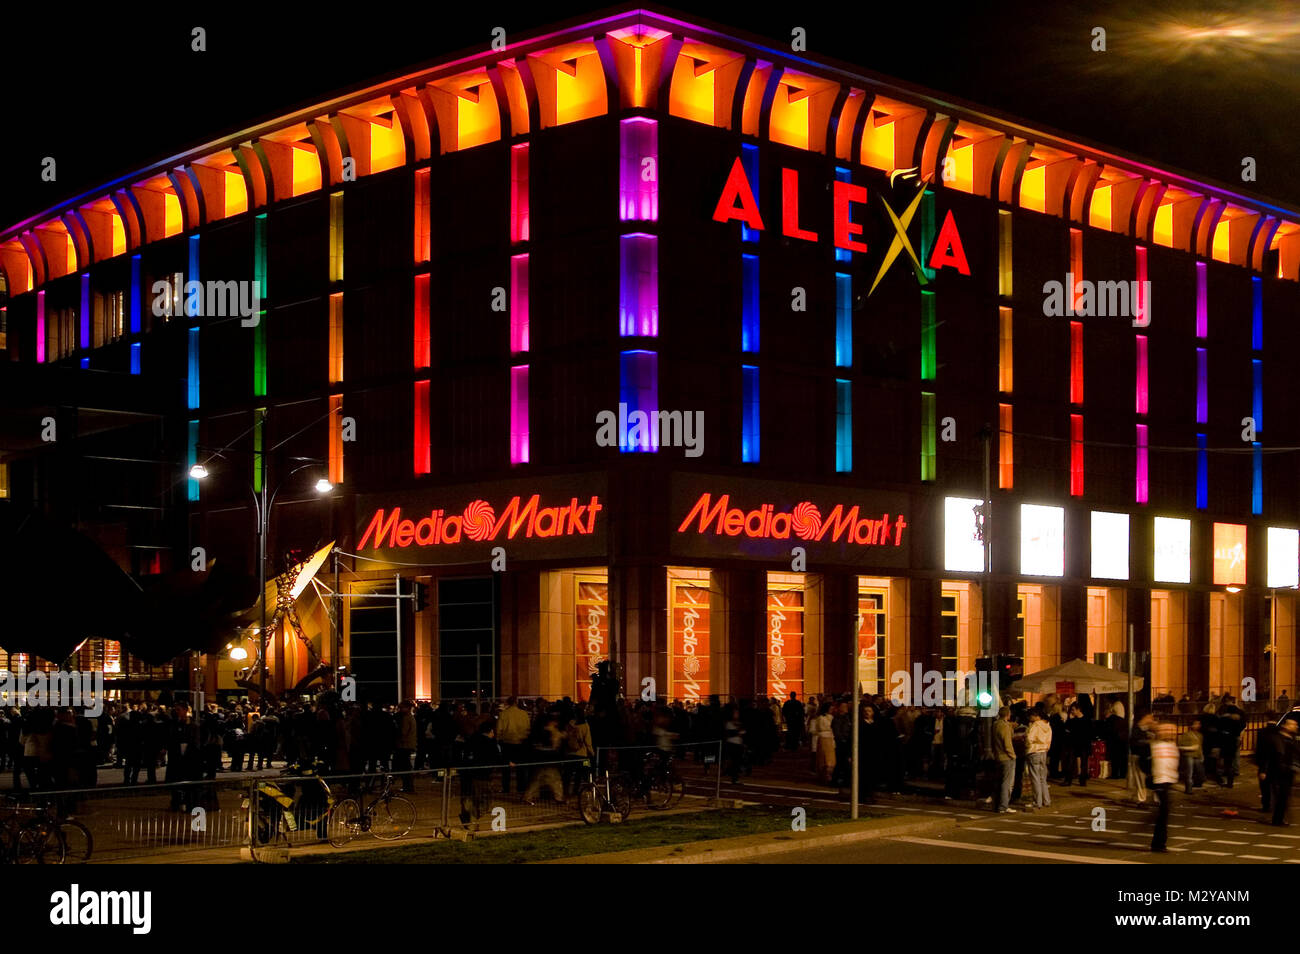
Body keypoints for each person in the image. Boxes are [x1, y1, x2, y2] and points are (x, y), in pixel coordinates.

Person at [1260, 714, 1299, 826]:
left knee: (1284, 796)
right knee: (1280, 796)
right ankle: (1277, 819)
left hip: (1288, 771)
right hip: (1277, 771)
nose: (1295, 726)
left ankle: (1279, 818)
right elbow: (1266, 755)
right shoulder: (1276, 739)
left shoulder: (1292, 738)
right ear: (1286, 726)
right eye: (1293, 724)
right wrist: (1263, 770)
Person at [1149, 723, 1179, 852]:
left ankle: (1158, 842)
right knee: (1163, 813)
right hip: (1160, 781)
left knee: (1164, 813)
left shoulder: (1172, 746)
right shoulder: (1155, 746)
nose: (1171, 734)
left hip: (1167, 781)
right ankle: (1158, 843)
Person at [495, 697, 532, 794]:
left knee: (506, 768)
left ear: (508, 703)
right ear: (516, 703)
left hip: (507, 743)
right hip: (521, 743)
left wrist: (499, 739)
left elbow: (499, 729)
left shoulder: (503, 714)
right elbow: (528, 729)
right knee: (521, 768)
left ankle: (506, 788)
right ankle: (521, 788)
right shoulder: (524, 714)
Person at [1025, 709, 1052, 809]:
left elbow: (1029, 738)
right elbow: (1049, 740)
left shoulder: (1036, 725)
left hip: (1034, 751)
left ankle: (1037, 802)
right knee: (1042, 778)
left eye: (1030, 716)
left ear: (1035, 715)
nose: (1030, 718)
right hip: (1043, 751)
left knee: (1035, 778)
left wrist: (1027, 745)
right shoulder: (1047, 725)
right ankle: (1046, 800)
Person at [993, 707, 1017, 813]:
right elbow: (1007, 743)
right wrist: (1013, 755)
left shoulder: (995, 725)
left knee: (999, 781)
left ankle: (997, 804)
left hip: (998, 756)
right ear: (1008, 714)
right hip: (1006, 757)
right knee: (1007, 783)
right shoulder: (1005, 727)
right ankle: (1003, 805)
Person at [393, 701, 418, 792]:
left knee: (406, 766)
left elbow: (403, 732)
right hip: (408, 745)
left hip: (404, 745)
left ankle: (408, 786)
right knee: (406, 766)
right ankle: (408, 786)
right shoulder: (411, 717)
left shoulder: (406, 718)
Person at [1177, 718, 1205, 794]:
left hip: (1196, 755)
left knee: (1199, 772)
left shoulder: (1199, 735)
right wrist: (1190, 748)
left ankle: (1195, 785)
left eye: (1198, 724)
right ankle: (1188, 789)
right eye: (1196, 724)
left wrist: (1201, 755)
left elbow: (1200, 746)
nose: (1197, 725)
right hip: (1189, 755)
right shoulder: (1186, 735)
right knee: (1189, 773)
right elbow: (1179, 746)